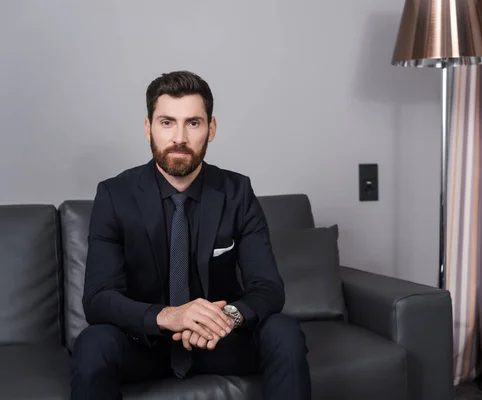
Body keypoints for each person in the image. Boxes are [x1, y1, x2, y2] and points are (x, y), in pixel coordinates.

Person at [70, 70, 311, 400]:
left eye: (193, 123)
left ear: (211, 129)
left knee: (283, 331)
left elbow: (268, 288)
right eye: (167, 122)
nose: (179, 137)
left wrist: (222, 318)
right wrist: (170, 317)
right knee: (92, 344)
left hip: (217, 342)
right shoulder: (115, 195)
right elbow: (98, 299)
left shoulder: (238, 192)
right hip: (145, 343)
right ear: (148, 128)